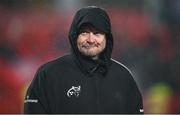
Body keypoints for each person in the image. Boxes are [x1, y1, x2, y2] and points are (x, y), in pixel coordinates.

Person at [24, 6, 144, 114]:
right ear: (74, 35)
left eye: (97, 33)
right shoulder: (48, 75)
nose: (91, 39)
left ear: (107, 38)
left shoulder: (124, 77)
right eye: (84, 32)